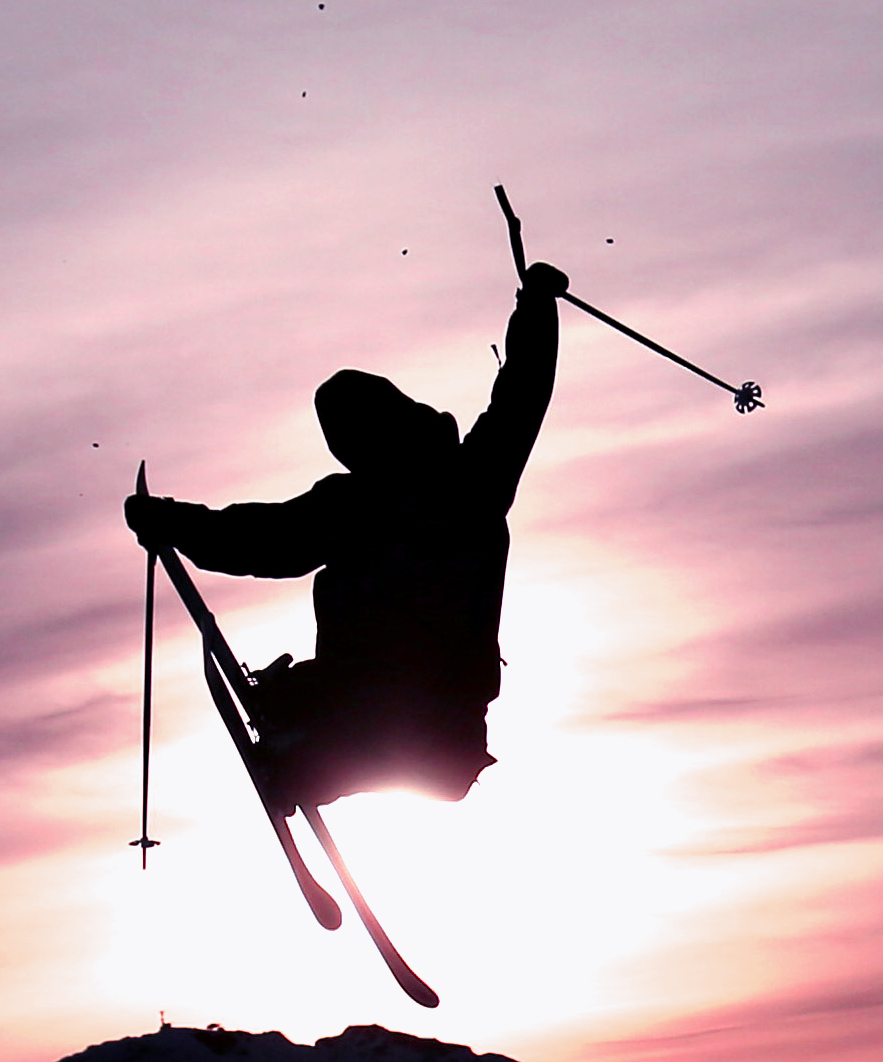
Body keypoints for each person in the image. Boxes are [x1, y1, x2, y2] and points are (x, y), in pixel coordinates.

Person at [129, 259, 569, 814]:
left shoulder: (404, 493)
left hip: (395, 713)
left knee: (321, 704)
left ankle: (307, 749)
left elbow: (263, 540)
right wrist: (537, 305)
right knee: (313, 699)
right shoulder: (465, 478)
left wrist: (172, 522)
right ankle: (306, 735)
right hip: (443, 724)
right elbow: (522, 394)